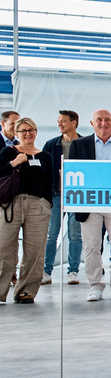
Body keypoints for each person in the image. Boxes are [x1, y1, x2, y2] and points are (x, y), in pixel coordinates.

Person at [68, 109, 111, 302]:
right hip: (90, 203)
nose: (103, 123)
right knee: (91, 246)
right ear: (92, 123)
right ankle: (95, 286)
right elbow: (74, 171)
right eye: (99, 120)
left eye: (107, 120)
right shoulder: (78, 145)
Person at [0, 118, 53, 303]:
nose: (27, 134)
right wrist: (14, 163)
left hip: (37, 205)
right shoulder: (8, 152)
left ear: (36, 132)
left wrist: (47, 203)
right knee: (4, 248)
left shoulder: (45, 156)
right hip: (11, 205)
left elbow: (49, 182)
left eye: (31, 130)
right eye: (23, 131)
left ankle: (26, 291)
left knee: (35, 250)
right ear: (16, 134)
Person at [41, 110, 82, 285]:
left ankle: (73, 271)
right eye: (58, 121)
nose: (60, 124)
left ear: (74, 122)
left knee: (75, 235)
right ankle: (46, 271)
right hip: (55, 196)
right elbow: (43, 170)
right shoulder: (51, 145)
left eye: (63, 121)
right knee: (51, 234)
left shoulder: (84, 144)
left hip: (77, 196)